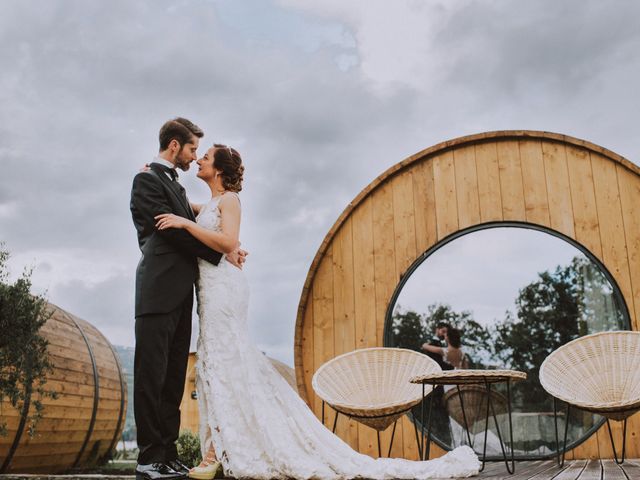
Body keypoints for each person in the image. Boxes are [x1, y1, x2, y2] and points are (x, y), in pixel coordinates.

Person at [155, 145, 480, 480]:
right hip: (209, 290)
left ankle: (214, 453)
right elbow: (191, 211)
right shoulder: (209, 203)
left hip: (224, 290)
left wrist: (184, 225)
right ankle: (222, 446)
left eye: (205, 157)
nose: (198, 160)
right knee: (218, 363)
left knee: (228, 361)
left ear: (219, 169)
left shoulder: (230, 201)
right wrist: (159, 179)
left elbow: (226, 241)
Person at [130, 118, 246, 480]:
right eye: (194, 149)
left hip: (184, 295)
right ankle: (149, 459)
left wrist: (229, 248)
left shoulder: (177, 188)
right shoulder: (146, 180)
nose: (196, 156)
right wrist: (220, 253)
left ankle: (167, 455)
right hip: (157, 290)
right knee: (151, 375)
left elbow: (203, 220)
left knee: (172, 378)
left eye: (202, 153)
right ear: (176, 146)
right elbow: (171, 236)